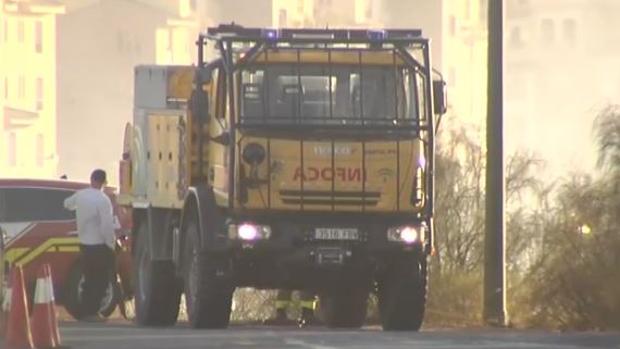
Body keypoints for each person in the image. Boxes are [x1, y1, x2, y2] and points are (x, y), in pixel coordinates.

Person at [64, 169, 116, 322]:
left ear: (91, 179)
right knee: (101, 280)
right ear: (103, 182)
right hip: (100, 245)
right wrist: (111, 245)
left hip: (84, 244)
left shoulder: (81, 195)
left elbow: (67, 204)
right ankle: (93, 312)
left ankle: (86, 311)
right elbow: (106, 226)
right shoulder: (103, 200)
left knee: (88, 278)